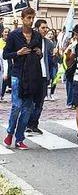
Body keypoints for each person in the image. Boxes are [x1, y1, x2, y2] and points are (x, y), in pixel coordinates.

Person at [3, 8, 43, 150]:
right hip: (17, 74)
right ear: (23, 19)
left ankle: (19, 138)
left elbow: (40, 54)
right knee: (17, 106)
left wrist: (39, 53)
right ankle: (9, 133)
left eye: (33, 18)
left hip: (32, 75)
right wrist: (17, 53)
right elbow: (5, 55)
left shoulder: (37, 36)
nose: (31, 21)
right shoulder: (14, 35)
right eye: (28, 18)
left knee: (27, 108)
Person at [26, 19, 53, 135]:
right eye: (43, 28)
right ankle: (27, 124)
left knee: (40, 103)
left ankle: (34, 124)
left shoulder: (49, 43)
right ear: (37, 29)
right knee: (30, 102)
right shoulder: (31, 41)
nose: (45, 30)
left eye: (46, 28)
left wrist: (56, 55)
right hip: (32, 76)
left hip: (44, 75)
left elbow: (53, 61)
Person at [46, 29, 60, 100]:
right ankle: (45, 94)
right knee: (46, 79)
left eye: (51, 34)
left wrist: (57, 53)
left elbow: (59, 56)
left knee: (54, 78)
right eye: (49, 33)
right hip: (47, 63)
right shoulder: (45, 42)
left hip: (54, 63)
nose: (50, 35)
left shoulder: (56, 43)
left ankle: (51, 93)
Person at [1, 27, 10, 102]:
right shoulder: (0, 41)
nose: (6, 33)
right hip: (1, 61)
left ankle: (2, 94)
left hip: (8, 61)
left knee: (6, 79)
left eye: (8, 32)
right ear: (2, 33)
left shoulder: (10, 42)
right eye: (5, 32)